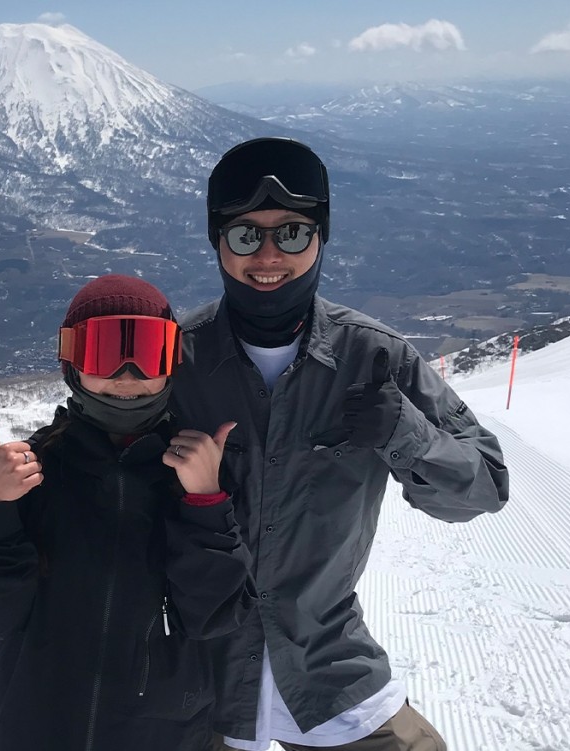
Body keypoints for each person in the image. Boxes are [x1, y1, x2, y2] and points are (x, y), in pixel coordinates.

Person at [169, 137, 511, 751]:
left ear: (321, 238)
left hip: (330, 672)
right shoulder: (181, 361)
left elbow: (483, 489)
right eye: (246, 235)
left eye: (293, 234)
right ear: (217, 242)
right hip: (203, 683)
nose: (269, 255)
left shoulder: (374, 357)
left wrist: (404, 433)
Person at [0, 274, 258, 751]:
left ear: (173, 362)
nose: (128, 375)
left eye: (148, 352)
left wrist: (205, 504)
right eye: (105, 352)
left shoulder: (200, 473)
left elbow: (214, 616)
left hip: (160, 732)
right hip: (36, 728)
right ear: (71, 362)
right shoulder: (35, 473)